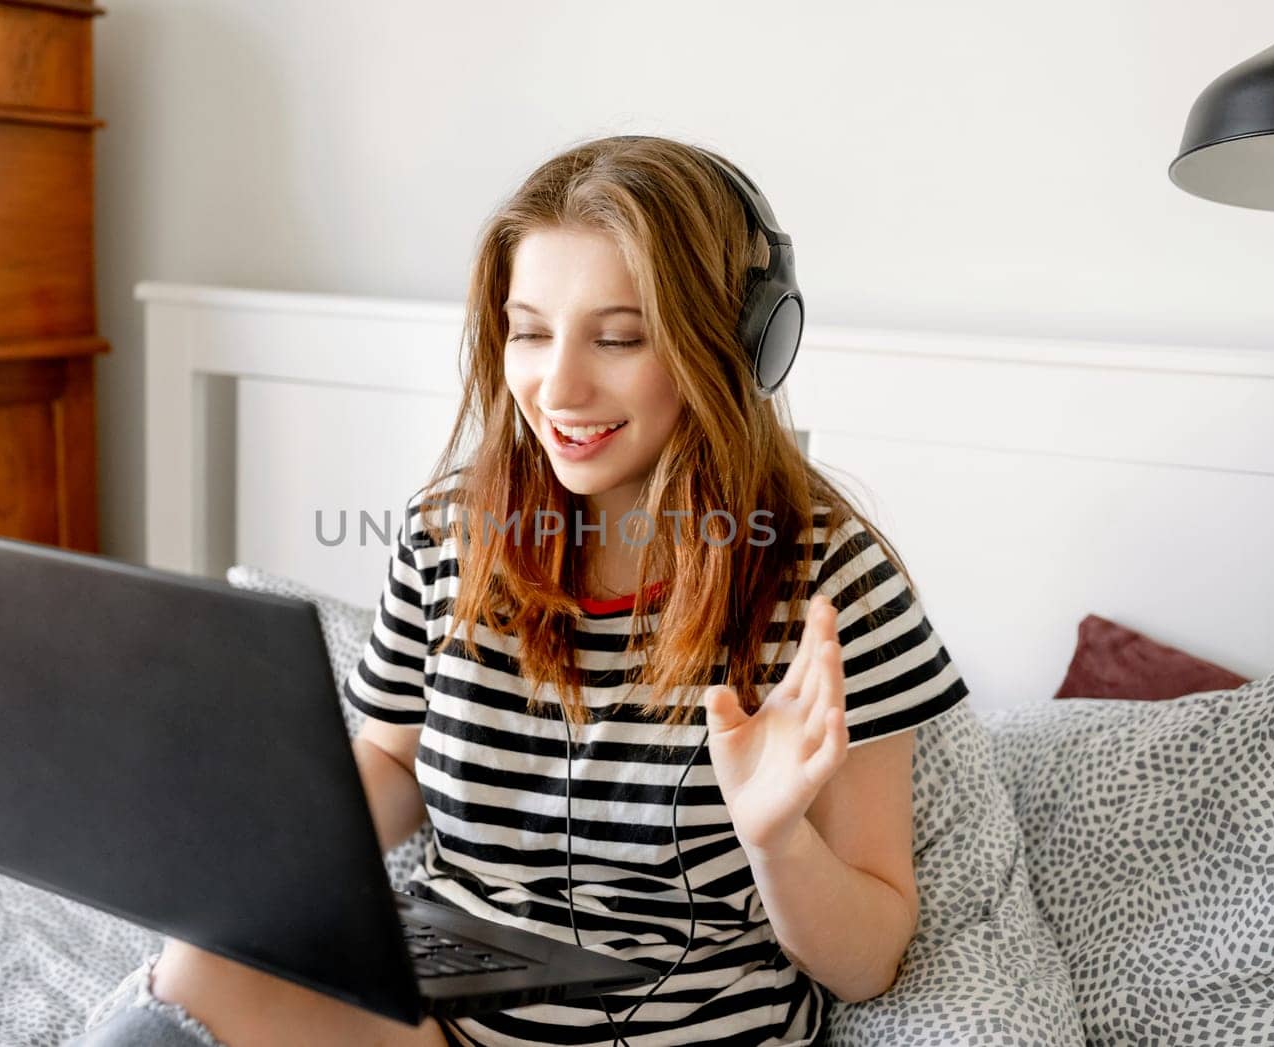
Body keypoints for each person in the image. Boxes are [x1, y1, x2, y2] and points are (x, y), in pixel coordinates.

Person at [75, 134, 968, 1047]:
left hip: (682, 1028)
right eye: (531, 331)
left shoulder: (830, 577)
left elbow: (868, 963)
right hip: (445, 1018)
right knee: (199, 967)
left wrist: (779, 839)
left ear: (738, 345)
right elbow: (390, 760)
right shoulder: (446, 531)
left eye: (619, 337)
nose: (559, 386)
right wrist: (269, 846)